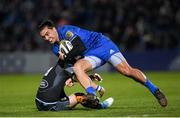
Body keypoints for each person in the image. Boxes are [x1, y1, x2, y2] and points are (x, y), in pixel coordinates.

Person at [38, 19, 167, 107]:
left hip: (102, 44)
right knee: (78, 67)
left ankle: (155, 90)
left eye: (47, 34)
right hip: (90, 55)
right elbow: (74, 63)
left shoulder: (66, 31)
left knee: (127, 71)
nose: (47, 38)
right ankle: (92, 96)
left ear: (54, 29)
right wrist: (73, 77)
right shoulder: (56, 49)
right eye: (43, 37)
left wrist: (65, 57)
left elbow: (79, 47)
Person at [35, 63, 113, 111]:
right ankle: (101, 106)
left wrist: (91, 77)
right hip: (49, 104)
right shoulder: (69, 67)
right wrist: (99, 88)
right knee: (81, 96)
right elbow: (80, 78)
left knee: (60, 92)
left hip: (39, 102)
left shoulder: (58, 66)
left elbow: (70, 78)